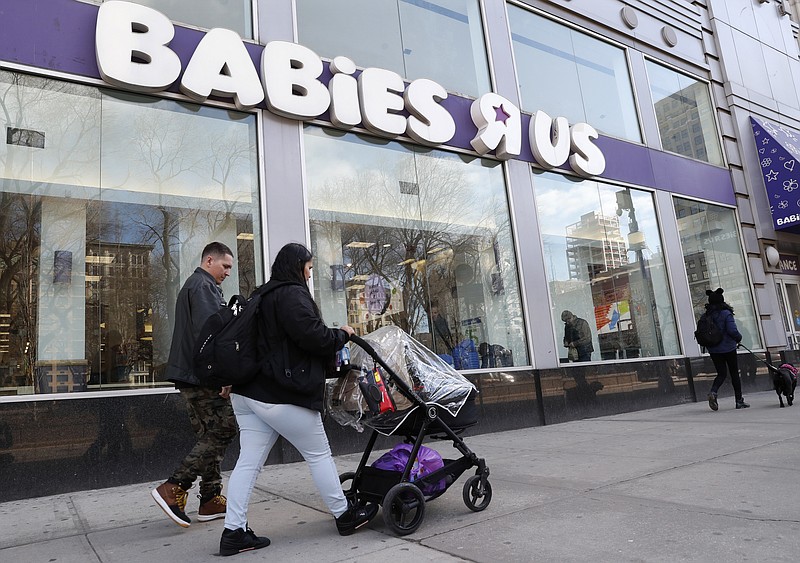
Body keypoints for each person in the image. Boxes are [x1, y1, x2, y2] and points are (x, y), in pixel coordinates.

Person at [218, 242, 378, 556]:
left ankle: (233, 532)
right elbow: (314, 337)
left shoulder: (262, 294)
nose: (309, 274)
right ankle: (344, 516)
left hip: (248, 394)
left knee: (247, 463)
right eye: (307, 268)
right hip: (280, 394)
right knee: (318, 454)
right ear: (297, 266)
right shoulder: (290, 295)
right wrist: (342, 334)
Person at [151, 242, 239, 528]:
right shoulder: (202, 287)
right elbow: (213, 333)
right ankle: (175, 486)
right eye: (225, 266)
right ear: (209, 260)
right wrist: (225, 375)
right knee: (224, 429)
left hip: (191, 375)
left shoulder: (197, 285)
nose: (227, 272)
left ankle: (211, 497)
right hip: (202, 376)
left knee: (209, 434)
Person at [704, 288, 749, 411]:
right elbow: (732, 330)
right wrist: (739, 338)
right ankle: (739, 401)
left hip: (714, 349)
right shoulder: (725, 313)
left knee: (722, 373)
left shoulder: (707, 315)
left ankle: (713, 392)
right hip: (728, 348)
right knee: (734, 373)